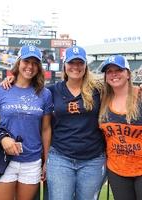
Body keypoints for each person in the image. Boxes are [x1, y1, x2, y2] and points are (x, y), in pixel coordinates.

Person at [0, 45, 53, 200]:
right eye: (26, 61)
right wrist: (2, 139)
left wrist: (46, 161)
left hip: (32, 161)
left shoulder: (45, 93)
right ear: (18, 63)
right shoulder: (0, 90)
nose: (30, 66)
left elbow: (46, 129)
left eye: (35, 63)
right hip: (3, 159)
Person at [46, 45, 106, 200]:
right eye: (71, 63)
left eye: (80, 63)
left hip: (93, 159)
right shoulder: (52, 90)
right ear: (64, 65)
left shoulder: (99, 89)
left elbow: (121, 89)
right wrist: (10, 80)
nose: (76, 67)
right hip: (60, 157)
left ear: (86, 66)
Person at [99, 55, 142, 200]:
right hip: (117, 170)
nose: (114, 74)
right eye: (109, 71)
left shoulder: (140, 96)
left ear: (128, 74)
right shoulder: (102, 99)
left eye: (119, 70)